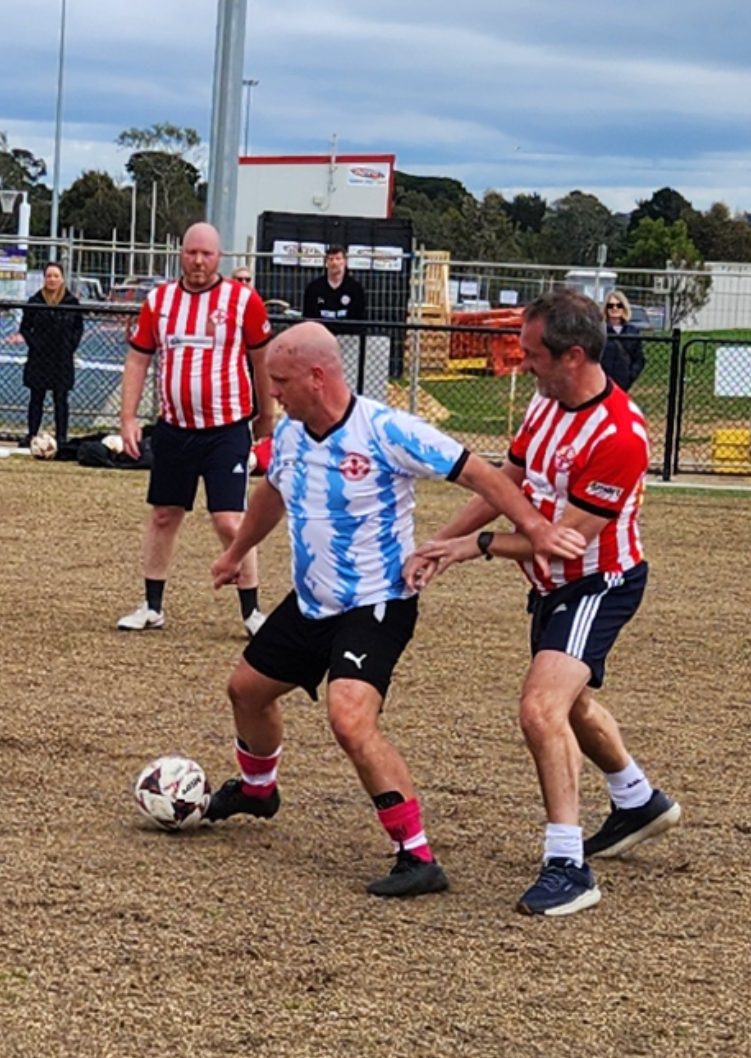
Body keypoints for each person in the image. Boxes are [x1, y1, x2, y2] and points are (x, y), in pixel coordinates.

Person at [206, 321, 586, 899]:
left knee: (349, 718)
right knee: (246, 692)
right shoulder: (289, 434)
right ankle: (259, 790)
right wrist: (236, 552)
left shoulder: (386, 430)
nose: (272, 392)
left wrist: (535, 527)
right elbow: (273, 493)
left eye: (280, 380)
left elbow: (480, 473)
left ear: (317, 376)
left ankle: (417, 856)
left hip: (377, 602)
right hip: (313, 601)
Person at [413, 291, 681, 917]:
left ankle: (568, 867)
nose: (522, 362)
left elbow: (564, 542)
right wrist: (439, 543)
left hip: (598, 583)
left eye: (532, 353)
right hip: (551, 585)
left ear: (574, 355)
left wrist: (476, 546)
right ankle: (638, 800)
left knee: (541, 709)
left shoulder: (620, 436)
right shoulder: (545, 402)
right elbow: (504, 484)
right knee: (572, 704)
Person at [117, 222, 276, 637]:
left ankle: (252, 611)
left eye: (206, 254)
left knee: (229, 521)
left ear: (219, 257)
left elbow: (262, 360)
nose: (199, 261)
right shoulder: (159, 301)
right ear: (181, 254)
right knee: (164, 515)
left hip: (227, 429)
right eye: (191, 253)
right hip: (174, 428)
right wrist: (128, 417)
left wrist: (266, 414)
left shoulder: (243, 301)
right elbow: (138, 359)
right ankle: (152, 606)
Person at [18, 261, 84, 448]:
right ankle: (32, 434)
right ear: (44, 278)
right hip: (39, 358)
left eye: (56, 276)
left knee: (61, 398)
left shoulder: (71, 302)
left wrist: (69, 346)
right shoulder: (35, 301)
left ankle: (61, 437)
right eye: (49, 276)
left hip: (62, 359)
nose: (52, 279)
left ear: (62, 278)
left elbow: (78, 328)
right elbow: (25, 328)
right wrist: (35, 344)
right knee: (36, 397)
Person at [301, 245, 366, 333]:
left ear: (345, 262)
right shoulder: (314, 288)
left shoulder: (355, 288)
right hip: (321, 335)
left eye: (338, 259)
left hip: (347, 336)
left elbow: (358, 318)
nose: (334, 262)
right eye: (331, 259)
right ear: (326, 263)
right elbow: (309, 316)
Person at [600, 290, 646, 392]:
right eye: (610, 305)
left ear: (624, 307)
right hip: (602, 382)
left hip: (623, 381)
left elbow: (639, 358)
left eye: (619, 305)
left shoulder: (633, 331)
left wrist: (631, 375)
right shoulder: (600, 330)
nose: (615, 308)